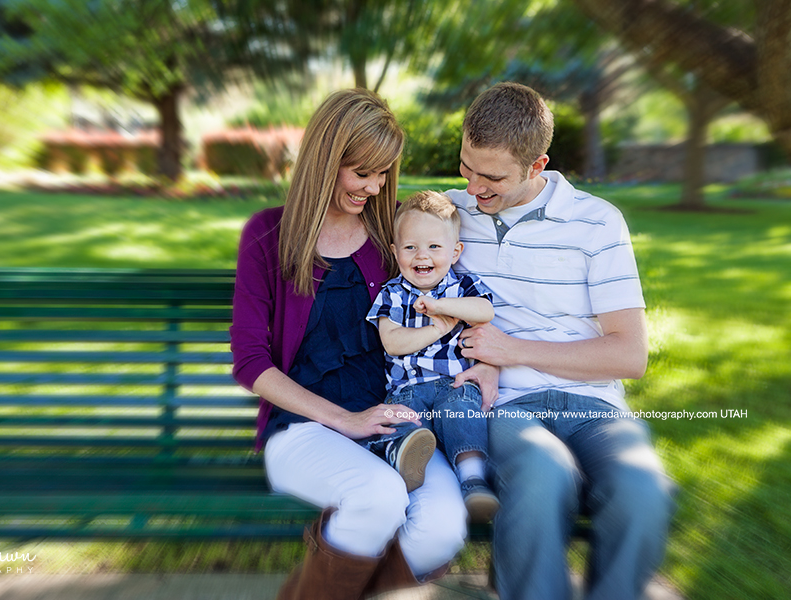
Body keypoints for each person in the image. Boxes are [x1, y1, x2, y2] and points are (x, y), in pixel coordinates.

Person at [230, 89, 472, 600]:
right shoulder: (267, 236)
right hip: (301, 431)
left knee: (443, 528)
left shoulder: (393, 239)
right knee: (380, 498)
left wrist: (485, 361)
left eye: (384, 173)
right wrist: (345, 420)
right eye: (362, 172)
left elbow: (454, 293)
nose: (376, 186)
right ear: (326, 159)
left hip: (395, 425)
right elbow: (251, 363)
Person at [448, 82, 676, 600]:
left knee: (644, 490)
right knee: (541, 475)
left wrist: (514, 350)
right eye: (465, 165)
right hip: (507, 406)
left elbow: (628, 354)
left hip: (597, 408)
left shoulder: (597, 223)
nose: (473, 186)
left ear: (537, 164)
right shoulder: (448, 216)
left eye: (492, 176)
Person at [362, 190, 499, 522]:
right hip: (407, 388)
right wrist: (437, 329)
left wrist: (440, 307)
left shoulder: (464, 286)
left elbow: (484, 311)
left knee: (462, 416)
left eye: (434, 247)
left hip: (455, 384)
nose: (422, 255)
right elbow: (392, 342)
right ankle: (405, 457)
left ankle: (473, 481)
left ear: (455, 252)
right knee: (400, 422)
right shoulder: (392, 293)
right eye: (411, 247)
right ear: (396, 252)